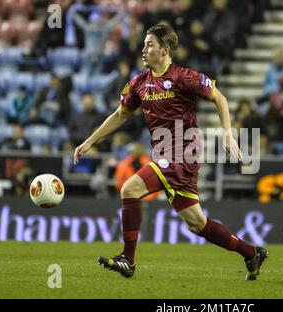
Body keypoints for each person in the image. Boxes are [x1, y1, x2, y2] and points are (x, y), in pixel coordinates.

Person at [73, 24, 268, 280]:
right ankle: (252, 253)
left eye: (150, 45)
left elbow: (219, 98)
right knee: (197, 223)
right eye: (144, 44)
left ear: (165, 50)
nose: (143, 49)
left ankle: (128, 260)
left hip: (184, 154)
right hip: (165, 155)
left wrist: (228, 134)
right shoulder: (139, 83)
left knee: (130, 189)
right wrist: (90, 141)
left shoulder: (183, 77)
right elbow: (120, 114)